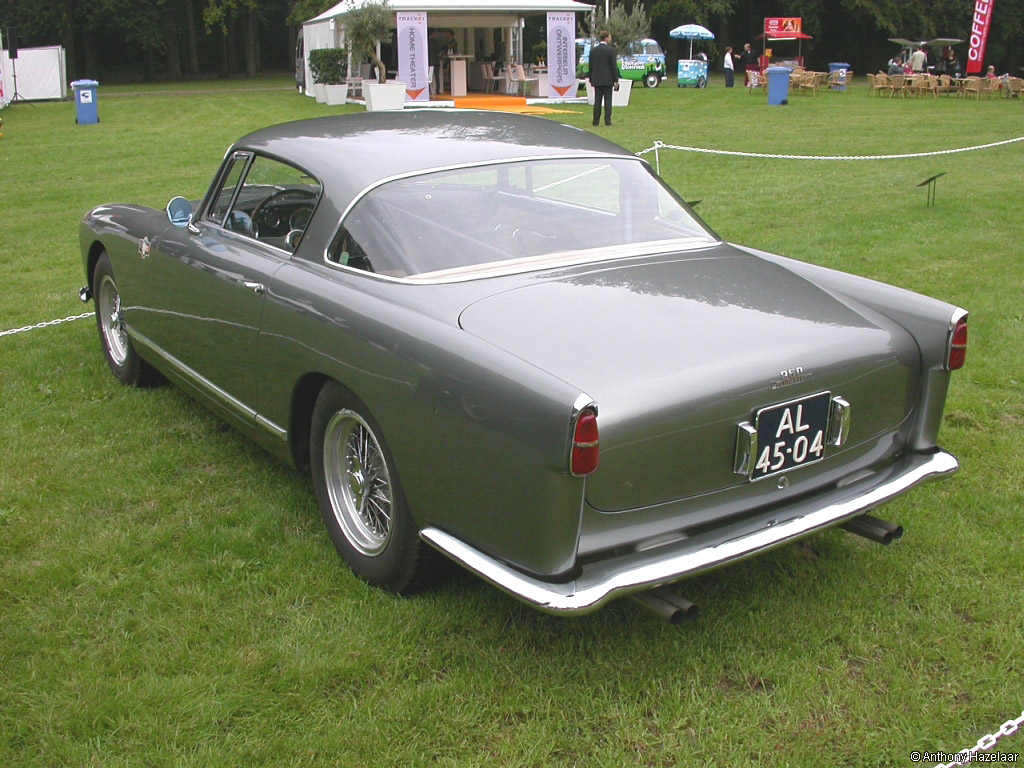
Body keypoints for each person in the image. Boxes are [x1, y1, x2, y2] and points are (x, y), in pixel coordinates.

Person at [589, 31, 618, 126]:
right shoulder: (611, 51)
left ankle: (595, 121)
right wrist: (616, 79)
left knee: (597, 101)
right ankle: (607, 121)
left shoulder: (593, 50)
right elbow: (613, 66)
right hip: (607, 79)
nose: (610, 39)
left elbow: (591, 66)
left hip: (597, 79)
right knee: (607, 101)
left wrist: (591, 78)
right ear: (606, 38)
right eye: (609, 37)